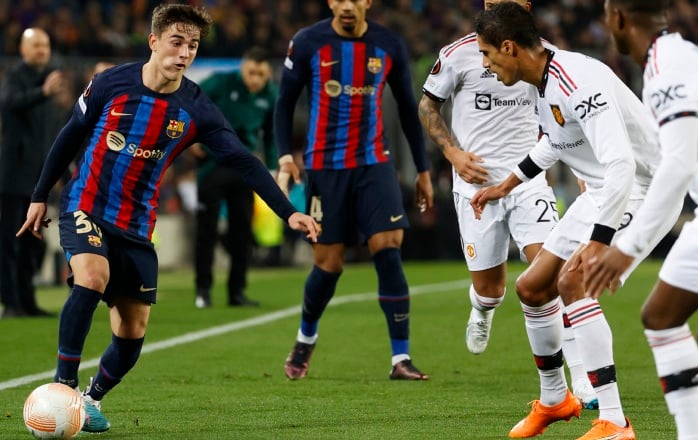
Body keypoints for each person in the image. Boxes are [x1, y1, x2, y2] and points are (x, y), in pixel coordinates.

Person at [17, 4, 319, 433]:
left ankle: (90, 397)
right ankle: (63, 388)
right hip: (87, 204)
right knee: (91, 276)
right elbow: (70, 135)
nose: (184, 53)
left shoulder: (196, 106)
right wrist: (39, 195)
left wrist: (288, 212)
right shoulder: (110, 83)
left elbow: (243, 161)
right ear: (154, 41)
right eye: (176, 42)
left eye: (192, 46)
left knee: (133, 330)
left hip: (138, 225)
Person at [471, 2, 676, 438]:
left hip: (643, 190)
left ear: (509, 47)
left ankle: (615, 421)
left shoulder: (576, 79)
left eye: (488, 55)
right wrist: (505, 185)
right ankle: (555, 400)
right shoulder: (542, 81)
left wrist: (601, 240)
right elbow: (559, 142)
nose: (486, 65)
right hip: (603, 190)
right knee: (532, 287)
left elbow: (621, 163)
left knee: (572, 282)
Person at [418, 0, 596, 409]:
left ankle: (581, 378)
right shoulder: (459, 53)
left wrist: (586, 180)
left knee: (552, 278)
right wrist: (453, 155)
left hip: (529, 181)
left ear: (525, 7)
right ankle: (481, 309)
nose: (494, 5)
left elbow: (569, 121)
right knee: (491, 289)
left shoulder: (544, 56)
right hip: (475, 185)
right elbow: (428, 104)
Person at [586, 1, 698, 438]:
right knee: (660, 316)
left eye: (606, 17)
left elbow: (677, 165)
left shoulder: (669, 67)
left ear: (618, 18)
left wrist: (627, 247)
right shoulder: (670, 59)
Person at [274, 0, 434, 381]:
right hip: (325, 168)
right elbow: (284, 104)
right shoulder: (308, 42)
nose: (346, 6)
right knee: (329, 264)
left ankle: (401, 357)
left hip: (374, 163)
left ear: (368, 3)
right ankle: (305, 337)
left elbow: (409, 109)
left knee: (388, 246)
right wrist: (284, 157)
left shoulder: (389, 44)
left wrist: (423, 169)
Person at [193, 46, 279, 309]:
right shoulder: (221, 82)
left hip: (245, 167)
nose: (255, 79)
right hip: (212, 164)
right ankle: (203, 290)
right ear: (243, 67)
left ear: (268, 75)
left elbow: (271, 135)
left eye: (261, 75)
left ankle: (237, 292)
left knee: (241, 232)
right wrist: (191, 137)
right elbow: (190, 98)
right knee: (206, 229)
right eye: (252, 72)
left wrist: (274, 168)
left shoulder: (271, 96)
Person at [0, 28, 66, 318]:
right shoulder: (16, 76)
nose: (42, 50)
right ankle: (11, 303)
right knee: (11, 242)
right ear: (23, 49)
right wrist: (43, 93)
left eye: (46, 44)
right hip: (14, 177)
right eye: (36, 45)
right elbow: (9, 103)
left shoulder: (50, 78)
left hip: (38, 179)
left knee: (32, 245)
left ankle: (27, 302)